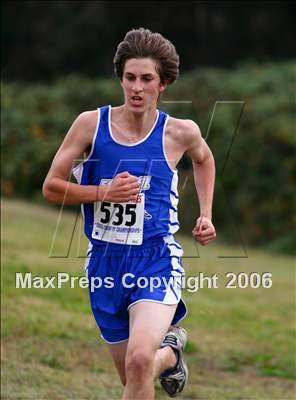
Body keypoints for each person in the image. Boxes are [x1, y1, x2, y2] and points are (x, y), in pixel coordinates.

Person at [43, 28, 216, 399]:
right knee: (133, 377)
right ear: (120, 78)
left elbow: (204, 160)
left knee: (139, 363)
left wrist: (206, 214)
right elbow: (52, 186)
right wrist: (103, 192)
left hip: (156, 260)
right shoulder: (90, 125)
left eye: (147, 79)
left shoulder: (179, 133)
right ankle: (170, 354)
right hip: (104, 264)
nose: (137, 88)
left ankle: (157, 355)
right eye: (130, 78)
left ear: (163, 83)